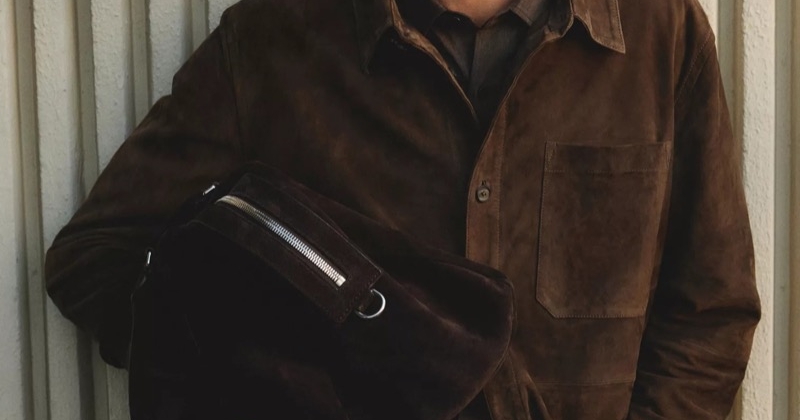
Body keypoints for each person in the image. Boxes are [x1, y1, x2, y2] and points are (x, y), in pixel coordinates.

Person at [45, 0, 761, 418]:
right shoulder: (276, 39)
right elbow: (99, 258)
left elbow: (710, 310)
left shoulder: (660, 33)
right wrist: (278, 376)